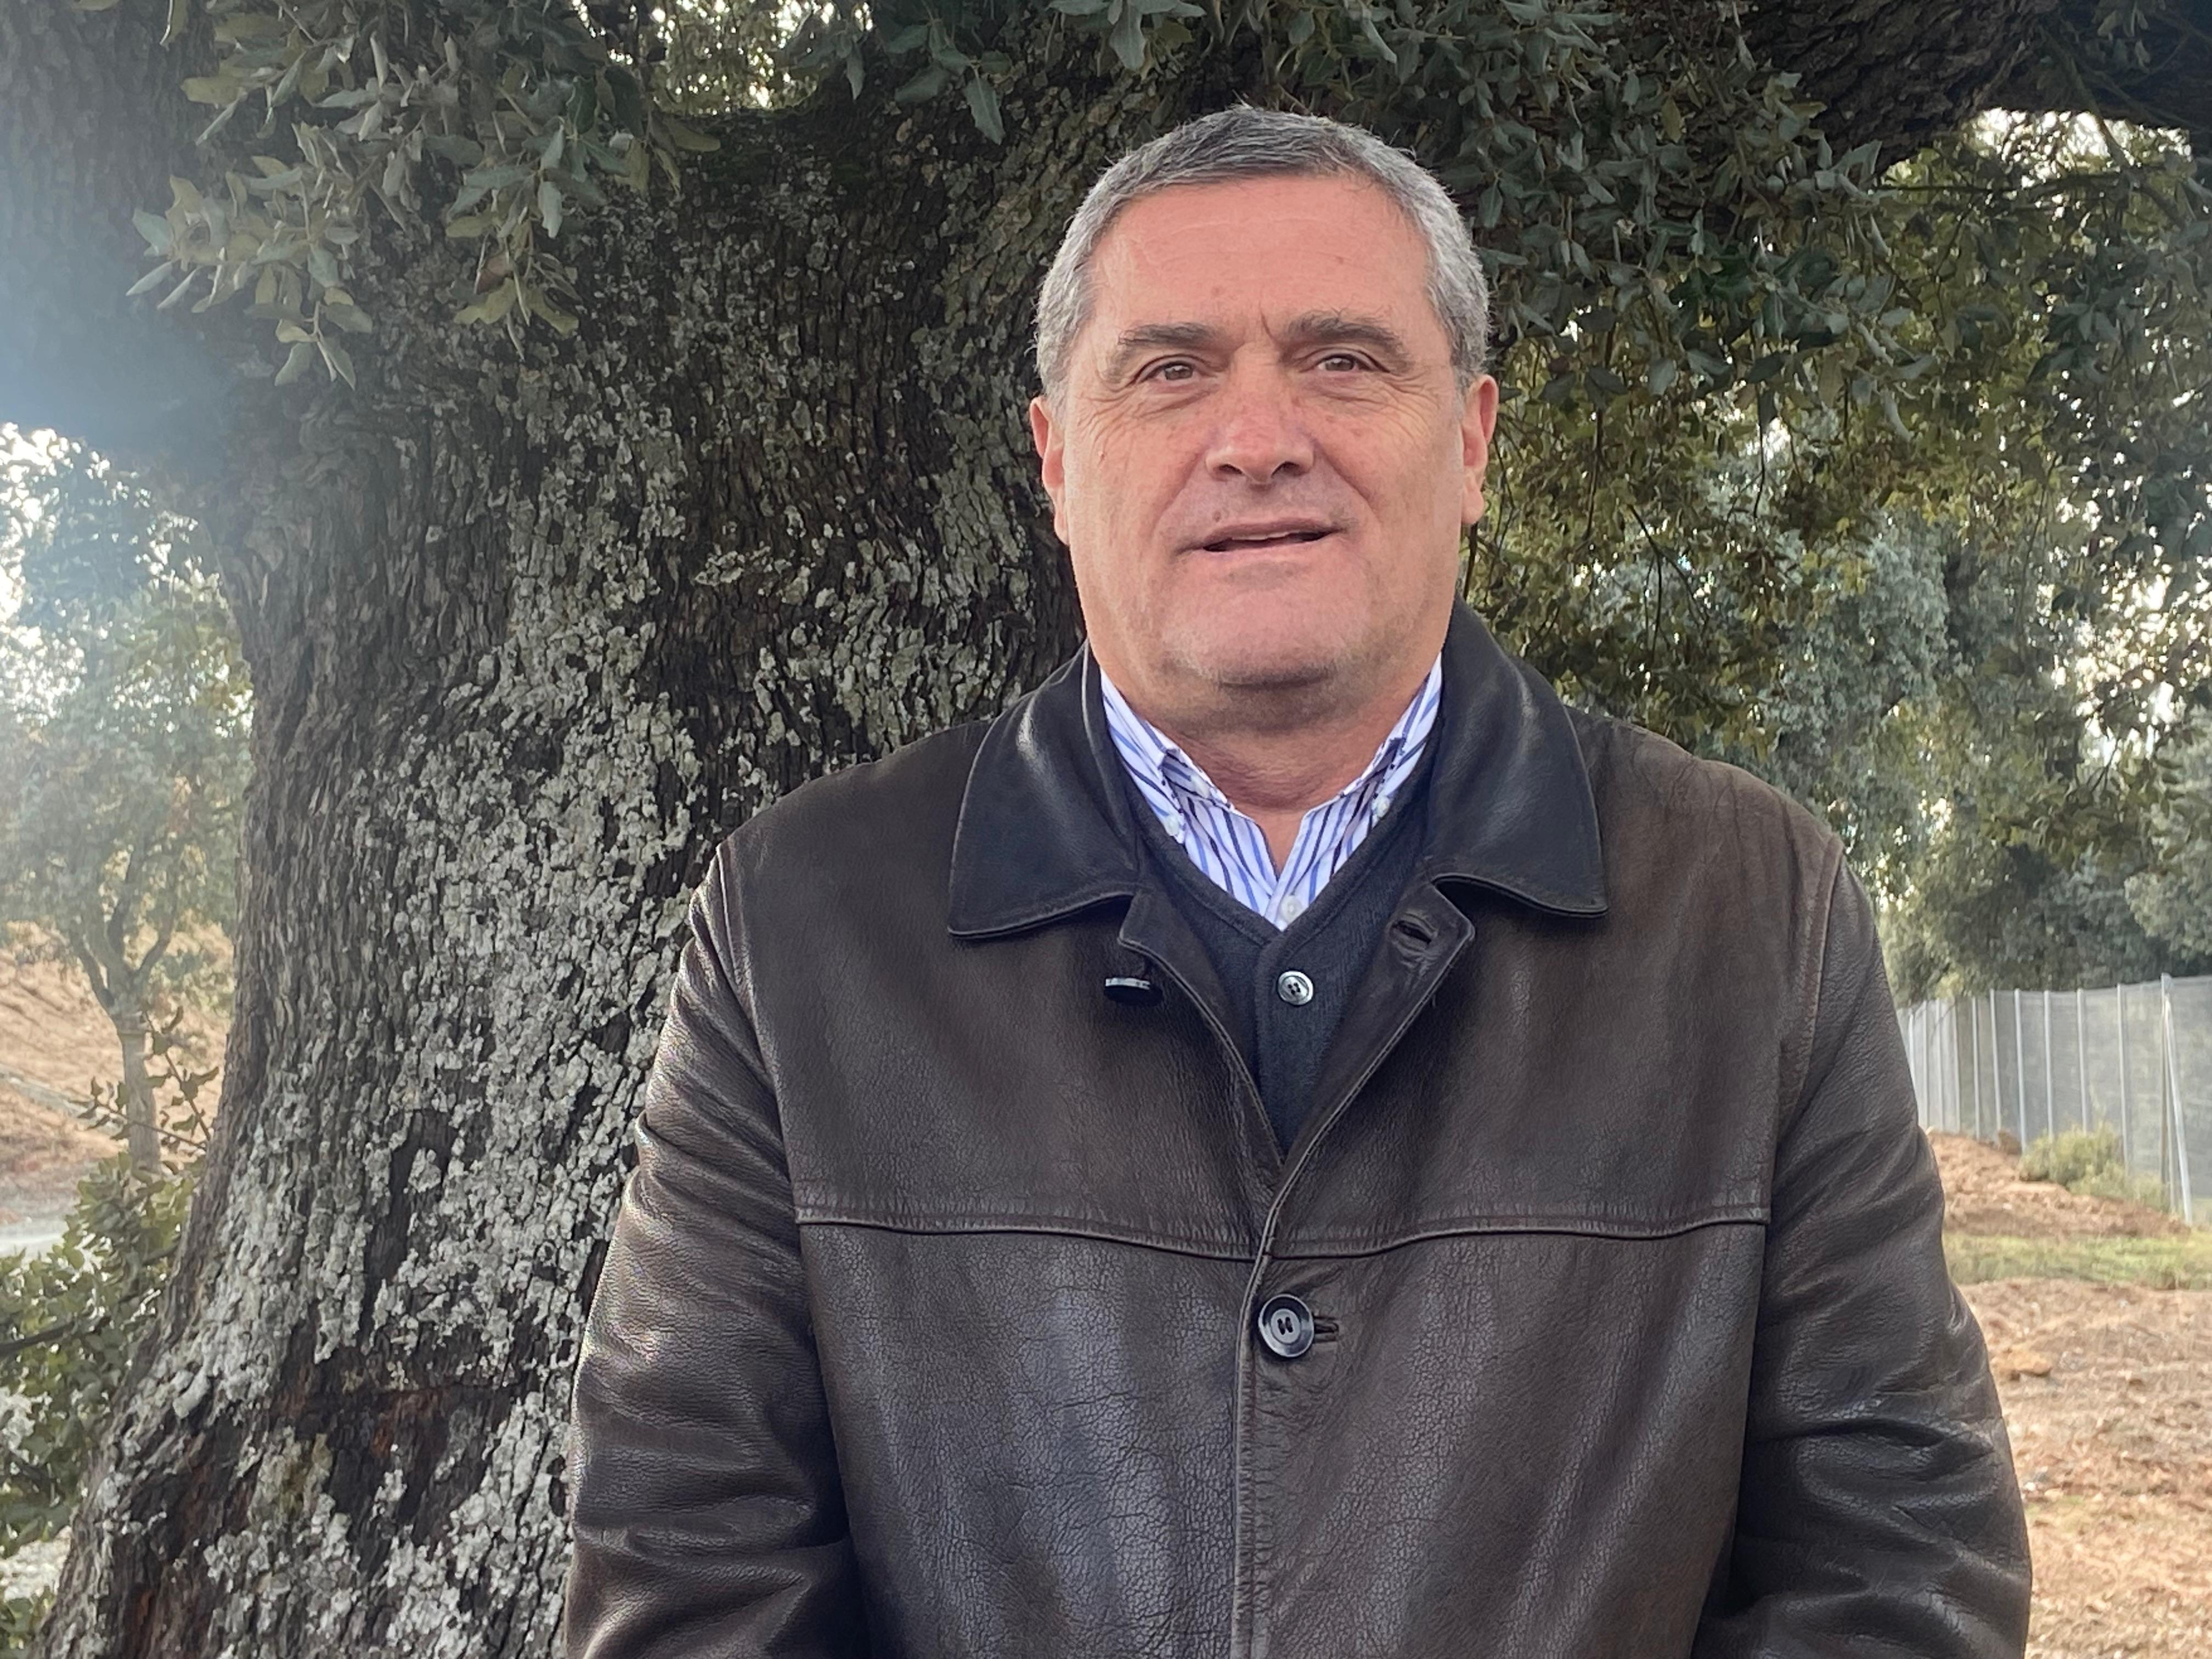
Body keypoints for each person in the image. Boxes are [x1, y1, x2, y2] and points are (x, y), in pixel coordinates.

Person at [561, 105, 2030, 1657]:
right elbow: (690, 1574)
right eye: (1169, 369)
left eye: (1342, 359)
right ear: (1055, 460)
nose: (1257, 438)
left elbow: (1897, 1568)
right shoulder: (799, 927)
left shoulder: (1754, 912)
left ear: (1471, 441)